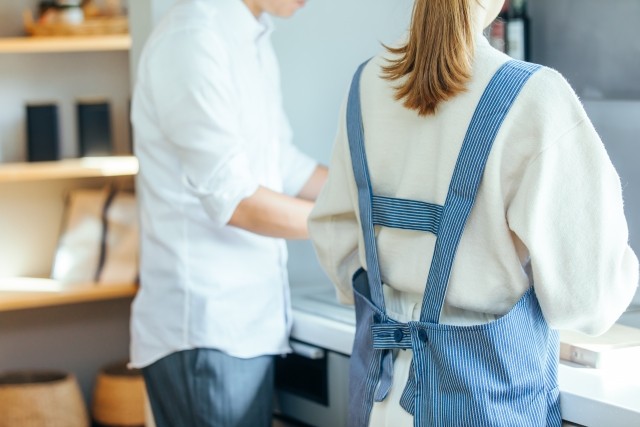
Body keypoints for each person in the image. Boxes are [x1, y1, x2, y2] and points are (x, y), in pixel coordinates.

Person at [308, 0, 639, 426]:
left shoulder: (366, 83)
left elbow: (334, 238)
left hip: (381, 399)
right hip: (486, 401)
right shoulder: (535, 97)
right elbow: (589, 298)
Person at [129, 0, 327, 426]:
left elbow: (281, 163)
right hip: (206, 326)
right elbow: (234, 198)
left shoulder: (251, 37)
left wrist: (376, 196)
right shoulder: (192, 40)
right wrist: (350, 223)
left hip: (249, 323)